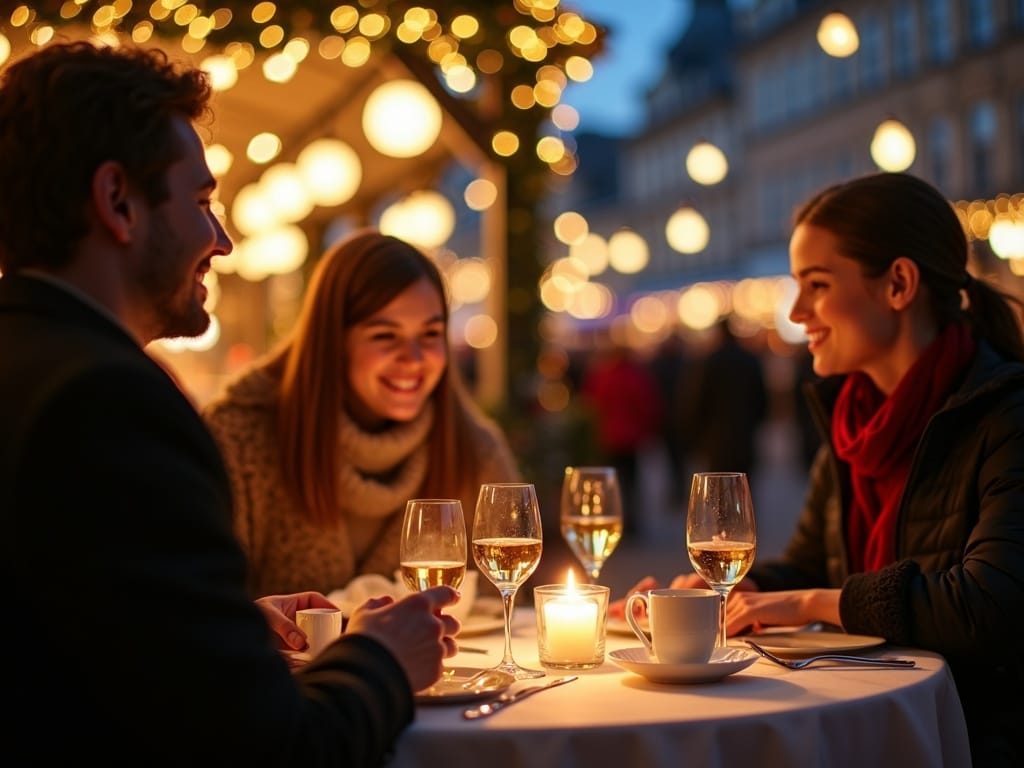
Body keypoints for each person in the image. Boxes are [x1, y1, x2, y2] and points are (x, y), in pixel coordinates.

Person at [0, 41, 460, 767]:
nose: (220, 241)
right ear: (118, 201)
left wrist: (226, 630)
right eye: (201, 201)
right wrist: (381, 660)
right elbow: (269, 750)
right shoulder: (109, 406)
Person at [616, 172, 1024, 767]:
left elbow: (988, 605)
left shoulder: (1004, 414)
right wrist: (739, 593)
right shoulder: (851, 420)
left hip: (967, 734)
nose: (797, 310)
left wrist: (807, 605)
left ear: (899, 284)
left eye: (817, 284)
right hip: (864, 722)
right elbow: (812, 566)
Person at [202, 228, 521, 598]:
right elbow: (198, 606)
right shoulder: (239, 440)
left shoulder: (473, 448)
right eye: (385, 336)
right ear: (333, 341)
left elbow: (505, 607)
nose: (414, 360)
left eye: (431, 335)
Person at [684, 317, 768, 479]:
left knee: (718, 488)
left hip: (716, 439)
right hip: (744, 434)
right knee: (744, 486)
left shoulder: (710, 361)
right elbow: (762, 399)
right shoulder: (749, 359)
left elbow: (697, 401)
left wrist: (695, 435)